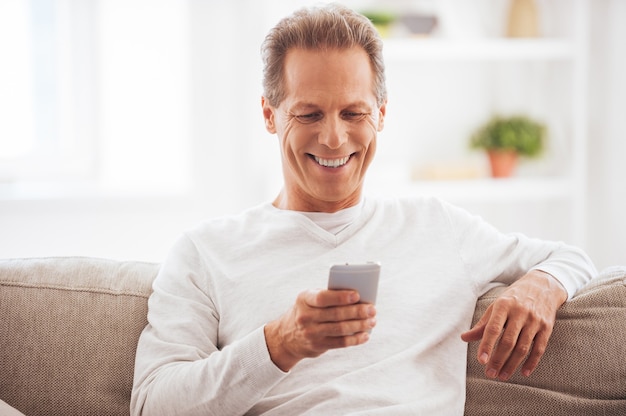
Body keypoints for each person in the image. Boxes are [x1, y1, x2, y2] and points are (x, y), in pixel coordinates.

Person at [130, 4, 596, 415]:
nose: (334, 138)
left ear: (382, 113)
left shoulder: (438, 226)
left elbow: (572, 259)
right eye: (309, 114)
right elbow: (153, 405)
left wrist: (541, 286)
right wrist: (280, 344)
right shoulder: (205, 252)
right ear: (270, 115)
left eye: (353, 114)